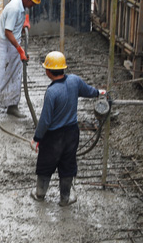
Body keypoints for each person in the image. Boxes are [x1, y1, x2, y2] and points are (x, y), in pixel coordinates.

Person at [30, 51, 105, 206]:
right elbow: (89, 91)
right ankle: (65, 199)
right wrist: (99, 93)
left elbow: (45, 120)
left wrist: (37, 138)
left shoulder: (51, 92)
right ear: (63, 68)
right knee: (68, 164)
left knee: (45, 163)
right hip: (71, 134)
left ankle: (40, 193)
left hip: (53, 137)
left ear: (48, 72)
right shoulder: (74, 81)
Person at [0, 0, 43, 122]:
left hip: (14, 44)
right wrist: (20, 50)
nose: (34, 5)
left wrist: (24, 23)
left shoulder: (22, 6)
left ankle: (12, 106)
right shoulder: (15, 8)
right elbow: (8, 32)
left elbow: (16, 25)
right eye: (33, 2)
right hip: (4, 45)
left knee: (16, 76)